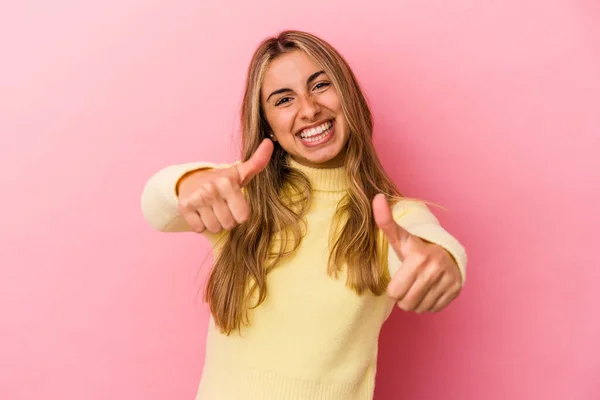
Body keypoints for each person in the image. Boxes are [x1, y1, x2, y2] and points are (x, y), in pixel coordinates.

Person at [141, 30, 467, 400]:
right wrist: (189, 182)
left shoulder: (389, 218)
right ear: (269, 127)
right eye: (284, 99)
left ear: (350, 97)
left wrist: (442, 260)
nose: (309, 109)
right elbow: (157, 206)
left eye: (321, 85)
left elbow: (429, 243)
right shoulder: (240, 197)